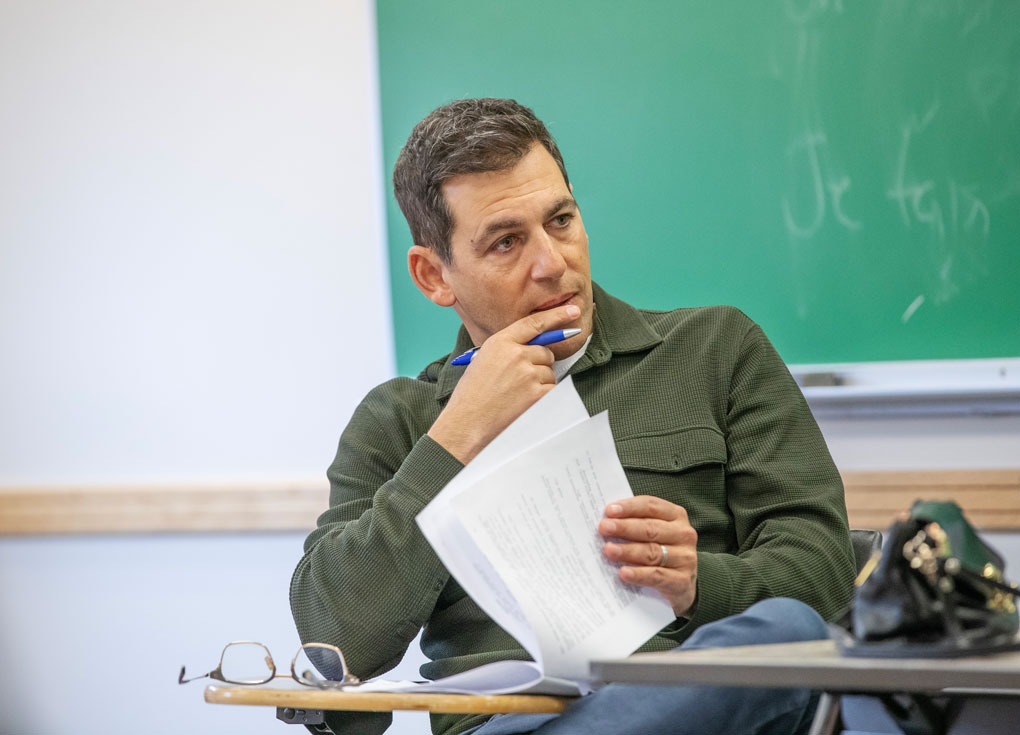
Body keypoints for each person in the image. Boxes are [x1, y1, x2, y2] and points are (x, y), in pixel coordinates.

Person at [290, 98, 855, 735]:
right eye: (506, 242)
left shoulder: (716, 348)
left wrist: (699, 581)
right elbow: (334, 643)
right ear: (433, 276)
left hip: (684, 700)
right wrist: (457, 437)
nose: (553, 263)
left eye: (561, 220)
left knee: (786, 633)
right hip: (507, 724)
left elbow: (826, 581)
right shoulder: (396, 418)